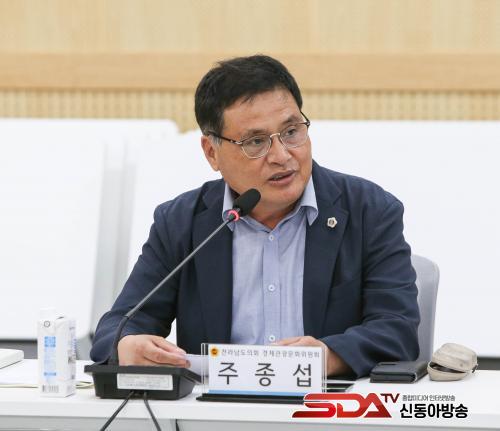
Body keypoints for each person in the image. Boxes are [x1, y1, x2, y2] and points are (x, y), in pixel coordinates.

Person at [90, 55, 419, 377]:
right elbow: (117, 327)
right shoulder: (182, 222)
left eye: (291, 132)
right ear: (212, 153)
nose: (281, 156)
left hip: (324, 403)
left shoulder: (369, 211)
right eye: (256, 142)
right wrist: (127, 346)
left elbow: (397, 329)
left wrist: (328, 357)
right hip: (218, 406)